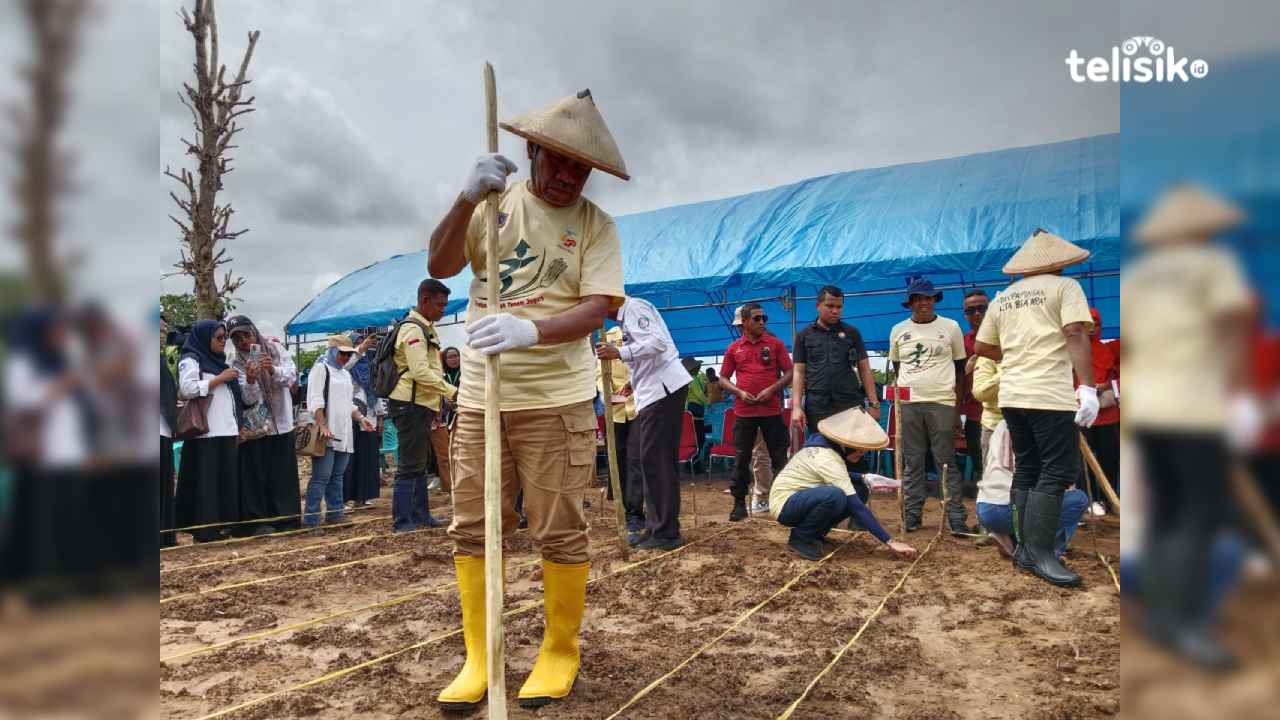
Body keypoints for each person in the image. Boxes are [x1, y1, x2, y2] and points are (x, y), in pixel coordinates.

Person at [427, 88, 628, 709]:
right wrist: (465, 197)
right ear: (532, 152)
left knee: (558, 531)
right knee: (472, 527)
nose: (568, 176)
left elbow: (601, 305)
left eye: (580, 167)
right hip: (483, 398)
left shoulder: (597, 226)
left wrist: (532, 329)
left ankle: (558, 651)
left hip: (555, 399)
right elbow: (439, 261)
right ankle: (480, 657)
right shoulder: (494, 203)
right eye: (558, 161)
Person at [1121, 185, 1257, 668]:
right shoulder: (1213, 265)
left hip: (1150, 409)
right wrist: (1240, 397)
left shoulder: (1138, 276)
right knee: (1198, 518)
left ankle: (1164, 614)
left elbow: (1130, 347)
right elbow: (1232, 329)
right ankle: (1186, 622)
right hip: (1195, 407)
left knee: (1168, 515)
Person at [974, 229, 1097, 588]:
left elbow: (983, 345)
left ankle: (1027, 551)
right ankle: (1042, 553)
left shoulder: (1002, 298)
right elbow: (1075, 332)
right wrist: (1087, 386)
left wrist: (1015, 358)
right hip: (1047, 393)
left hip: (1011, 395)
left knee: (1028, 467)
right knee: (1058, 470)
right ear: (1057, 263)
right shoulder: (1065, 288)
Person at [595, 295, 692, 551]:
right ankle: (656, 526)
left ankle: (666, 532)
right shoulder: (627, 317)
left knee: (656, 462)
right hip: (651, 393)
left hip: (662, 390)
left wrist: (619, 352)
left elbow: (657, 343)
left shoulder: (634, 307)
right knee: (649, 461)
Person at [973, 357, 1087, 559]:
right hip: (1011, 508)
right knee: (1077, 499)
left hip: (987, 509)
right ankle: (1048, 549)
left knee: (1011, 483)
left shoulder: (1002, 426)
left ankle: (1009, 538)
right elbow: (1058, 481)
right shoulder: (1048, 431)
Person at [770, 408, 917, 561]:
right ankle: (801, 538)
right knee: (835, 495)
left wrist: (863, 477)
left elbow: (833, 475)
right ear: (846, 445)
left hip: (801, 497)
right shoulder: (827, 458)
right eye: (860, 450)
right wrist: (890, 541)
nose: (862, 454)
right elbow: (856, 506)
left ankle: (816, 533)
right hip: (784, 505)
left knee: (859, 489)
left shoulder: (824, 445)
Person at [888, 278, 973, 535]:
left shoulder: (951, 327)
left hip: (942, 402)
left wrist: (957, 408)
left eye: (928, 298)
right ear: (910, 302)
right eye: (918, 298)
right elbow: (897, 369)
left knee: (945, 460)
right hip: (910, 404)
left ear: (935, 300)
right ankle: (912, 514)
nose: (924, 303)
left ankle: (956, 516)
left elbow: (960, 371)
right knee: (912, 461)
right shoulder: (898, 330)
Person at [791, 285, 879, 503]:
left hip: (849, 405)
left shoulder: (851, 333)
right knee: (823, 456)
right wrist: (796, 406)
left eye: (839, 306)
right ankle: (828, 508)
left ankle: (858, 513)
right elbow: (799, 371)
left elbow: (865, 368)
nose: (835, 311)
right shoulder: (804, 336)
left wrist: (874, 404)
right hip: (818, 406)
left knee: (856, 456)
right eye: (830, 306)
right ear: (818, 305)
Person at [388, 279, 458, 532]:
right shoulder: (413, 329)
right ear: (424, 300)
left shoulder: (425, 327)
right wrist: (453, 391)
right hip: (410, 404)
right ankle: (403, 520)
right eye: (440, 305)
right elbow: (419, 371)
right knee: (409, 464)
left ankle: (420, 515)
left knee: (418, 462)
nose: (443, 310)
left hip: (420, 403)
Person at [719, 302, 794, 521]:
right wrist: (739, 392)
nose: (762, 322)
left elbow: (790, 373)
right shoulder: (734, 348)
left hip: (771, 410)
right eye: (757, 318)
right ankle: (739, 503)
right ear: (744, 322)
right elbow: (723, 379)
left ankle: (785, 502)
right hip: (744, 412)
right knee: (741, 458)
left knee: (779, 456)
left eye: (764, 318)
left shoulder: (775, 344)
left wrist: (772, 389)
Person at [227, 315, 300, 534]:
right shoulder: (235, 361)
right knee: (257, 476)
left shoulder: (276, 349)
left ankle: (287, 521)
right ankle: (259, 522)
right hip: (258, 429)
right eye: (236, 338)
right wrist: (250, 380)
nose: (243, 342)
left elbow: (291, 377)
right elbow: (247, 399)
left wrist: (272, 370)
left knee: (282, 475)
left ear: (254, 331)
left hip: (282, 423)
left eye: (246, 334)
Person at [174, 320, 244, 543]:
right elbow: (186, 389)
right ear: (205, 338)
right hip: (205, 434)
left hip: (225, 431)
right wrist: (218, 380)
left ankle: (222, 526)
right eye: (219, 338)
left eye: (225, 338)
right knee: (206, 483)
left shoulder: (221, 363)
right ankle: (204, 531)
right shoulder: (192, 359)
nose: (224, 342)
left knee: (224, 481)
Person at [303, 335, 376, 527]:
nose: (344, 357)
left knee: (337, 475)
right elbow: (314, 400)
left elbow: (348, 403)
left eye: (348, 354)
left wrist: (361, 418)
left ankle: (335, 513)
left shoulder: (344, 374)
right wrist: (323, 425)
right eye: (342, 353)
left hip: (343, 433)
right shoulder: (320, 369)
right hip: (326, 433)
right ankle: (311, 519)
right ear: (333, 351)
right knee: (321, 477)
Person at [594, 327, 642, 533]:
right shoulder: (608, 337)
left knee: (636, 460)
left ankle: (635, 511)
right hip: (616, 410)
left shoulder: (643, 334)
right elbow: (599, 374)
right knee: (618, 460)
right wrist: (607, 396)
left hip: (640, 408)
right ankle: (623, 509)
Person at [1076, 307, 1120, 515]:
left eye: (1096, 324)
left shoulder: (1110, 350)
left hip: (1108, 415)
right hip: (1081, 413)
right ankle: (1088, 499)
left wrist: (1108, 385)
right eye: (1086, 324)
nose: (1091, 329)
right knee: (1083, 462)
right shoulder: (1070, 351)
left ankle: (1108, 497)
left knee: (1110, 458)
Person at [344, 331, 384, 508]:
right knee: (351, 458)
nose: (364, 344)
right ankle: (346, 498)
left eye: (365, 341)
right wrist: (360, 349)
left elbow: (376, 389)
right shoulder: (345, 365)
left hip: (370, 414)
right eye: (358, 342)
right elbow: (346, 364)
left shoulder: (370, 364)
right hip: (352, 415)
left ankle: (364, 496)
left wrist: (381, 416)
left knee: (368, 456)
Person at [959, 288, 990, 499]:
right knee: (980, 464)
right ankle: (985, 516)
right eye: (971, 310)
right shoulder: (962, 342)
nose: (977, 314)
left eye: (982, 309)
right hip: (973, 415)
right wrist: (956, 413)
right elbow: (958, 379)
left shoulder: (1005, 336)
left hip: (1004, 412)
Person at [431, 345, 463, 495]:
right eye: (450, 357)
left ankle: (462, 480)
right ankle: (446, 482)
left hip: (464, 415)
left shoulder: (467, 374)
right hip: (444, 417)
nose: (454, 359)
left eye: (456, 356)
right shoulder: (441, 377)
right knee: (445, 452)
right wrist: (445, 404)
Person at [160, 316, 178, 549]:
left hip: (163, 430)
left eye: (164, 330)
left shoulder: (163, 361)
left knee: (165, 484)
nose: (163, 334)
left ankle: (164, 535)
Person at [683, 356, 709, 471]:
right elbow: (700, 395)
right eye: (697, 366)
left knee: (694, 438)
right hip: (696, 410)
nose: (699, 367)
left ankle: (691, 464)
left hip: (690, 410)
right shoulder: (692, 379)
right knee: (699, 438)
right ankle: (695, 465)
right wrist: (709, 403)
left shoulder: (690, 378)